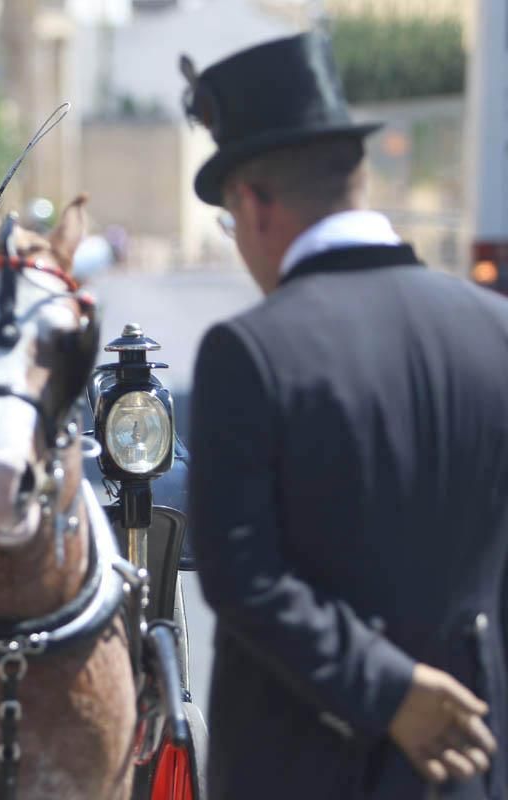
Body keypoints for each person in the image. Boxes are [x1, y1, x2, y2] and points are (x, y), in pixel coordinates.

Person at [181, 33, 505, 799]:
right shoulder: (496, 330)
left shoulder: (251, 350)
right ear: (357, 178)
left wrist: (390, 691)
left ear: (252, 205)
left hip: (303, 771)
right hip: (468, 769)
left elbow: (244, 578)